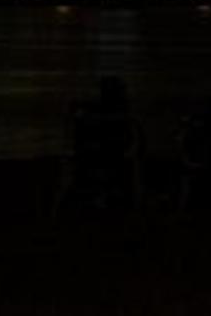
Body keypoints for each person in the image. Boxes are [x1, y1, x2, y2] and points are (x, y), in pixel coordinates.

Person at [55, 76, 144, 215]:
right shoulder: (118, 112)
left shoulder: (97, 110)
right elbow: (133, 135)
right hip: (109, 154)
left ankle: (100, 196)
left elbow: (73, 112)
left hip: (95, 153)